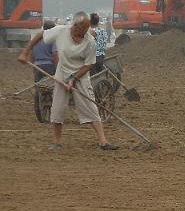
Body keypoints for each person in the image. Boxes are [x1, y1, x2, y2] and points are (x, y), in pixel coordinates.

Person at [18, 11, 118, 151]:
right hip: (61, 74)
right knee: (57, 108)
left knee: (90, 107)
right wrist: (25, 52)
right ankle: (57, 142)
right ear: (75, 26)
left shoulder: (90, 41)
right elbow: (40, 35)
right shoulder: (60, 31)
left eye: (86, 29)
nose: (85, 32)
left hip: (81, 76)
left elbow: (89, 64)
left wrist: (74, 78)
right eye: (83, 29)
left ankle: (103, 141)